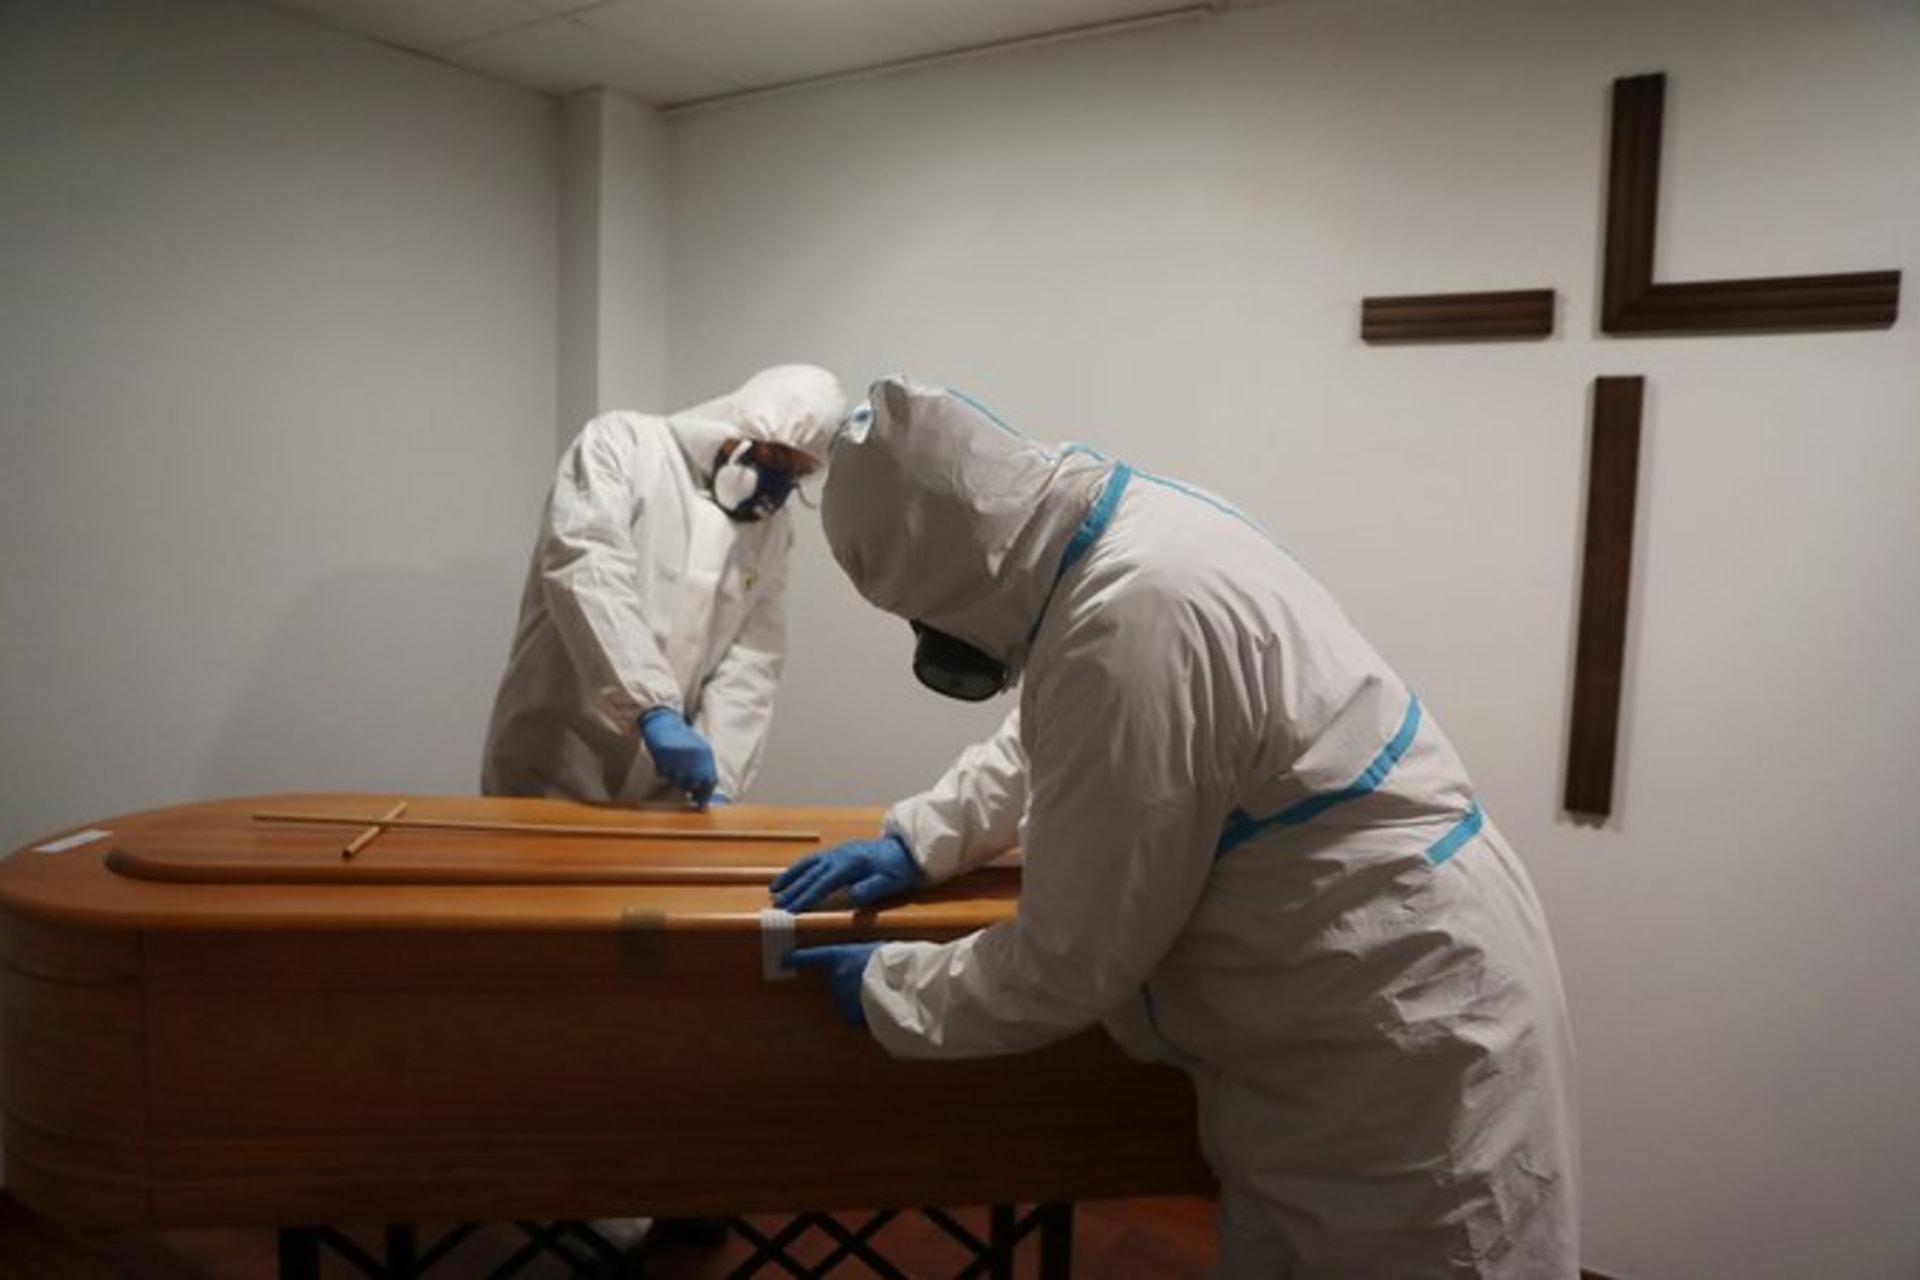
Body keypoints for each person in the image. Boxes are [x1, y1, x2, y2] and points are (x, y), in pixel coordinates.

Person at [773, 377, 1580, 1279]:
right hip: (1326, 1023)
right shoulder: (1111, 539)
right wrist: (925, 835)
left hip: (1398, 1032)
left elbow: (1073, 959)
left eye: (926, 617)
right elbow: (1058, 729)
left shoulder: (1129, 618)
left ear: (953, 574)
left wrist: (896, 989)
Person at [482, 364, 846, 811]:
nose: (776, 482)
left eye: (796, 471)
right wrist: (650, 707)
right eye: (773, 457)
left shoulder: (773, 532)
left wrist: (724, 778)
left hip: (663, 793)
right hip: (554, 766)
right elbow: (587, 567)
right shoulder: (623, 445)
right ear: (734, 425)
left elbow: (752, 659)